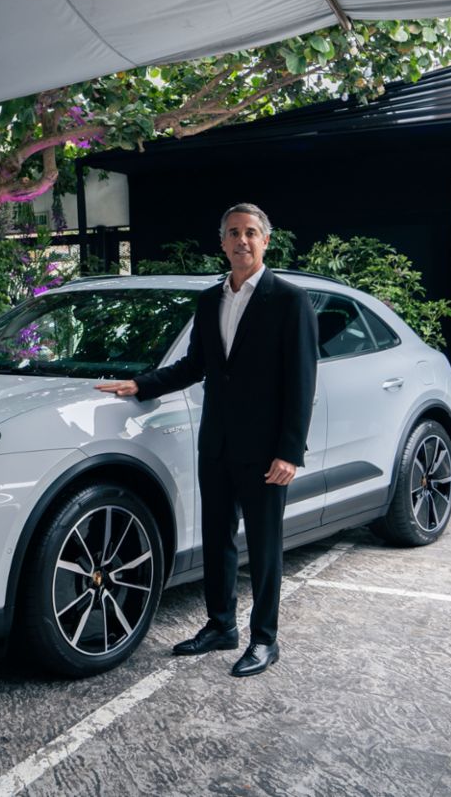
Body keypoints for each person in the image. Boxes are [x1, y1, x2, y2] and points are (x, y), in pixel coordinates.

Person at [96, 203, 316, 677]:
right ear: (222, 243)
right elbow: (195, 365)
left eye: (251, 233)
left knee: (264, 545)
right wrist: (141, 385)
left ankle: (264, 639)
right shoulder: (209, 299)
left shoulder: (289, 300)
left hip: (265, 450)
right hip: (215, 442)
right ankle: (221, 626)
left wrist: (289, 451)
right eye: (233, 233)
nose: (242, 241)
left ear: (265, 241)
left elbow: (302, 382)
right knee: (217, 539)